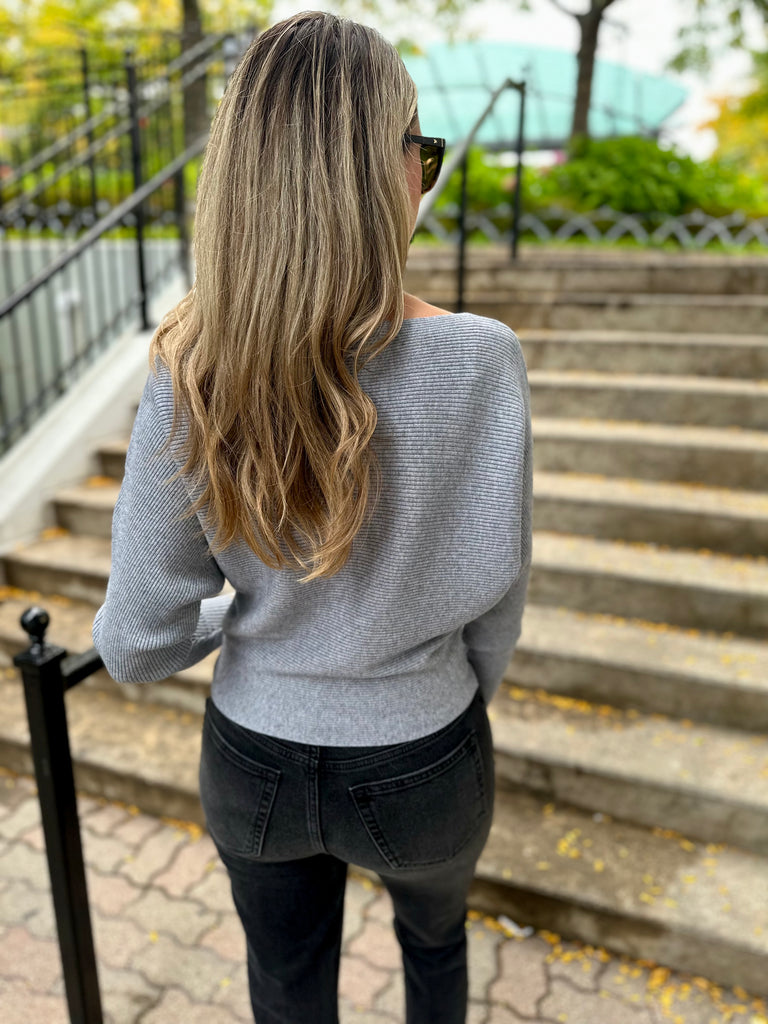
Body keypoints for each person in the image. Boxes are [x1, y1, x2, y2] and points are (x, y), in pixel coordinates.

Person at [91, 10, 532, 1024]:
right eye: (421, 152)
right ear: (387, 172)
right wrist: (455, 689)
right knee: (435, 944)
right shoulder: (481, 358)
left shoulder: (189, 369)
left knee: (287, 985)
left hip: (254, 755)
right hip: (427, 745)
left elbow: (135, 642)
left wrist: (245, 622)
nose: (425, 176)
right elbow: (498, 595)